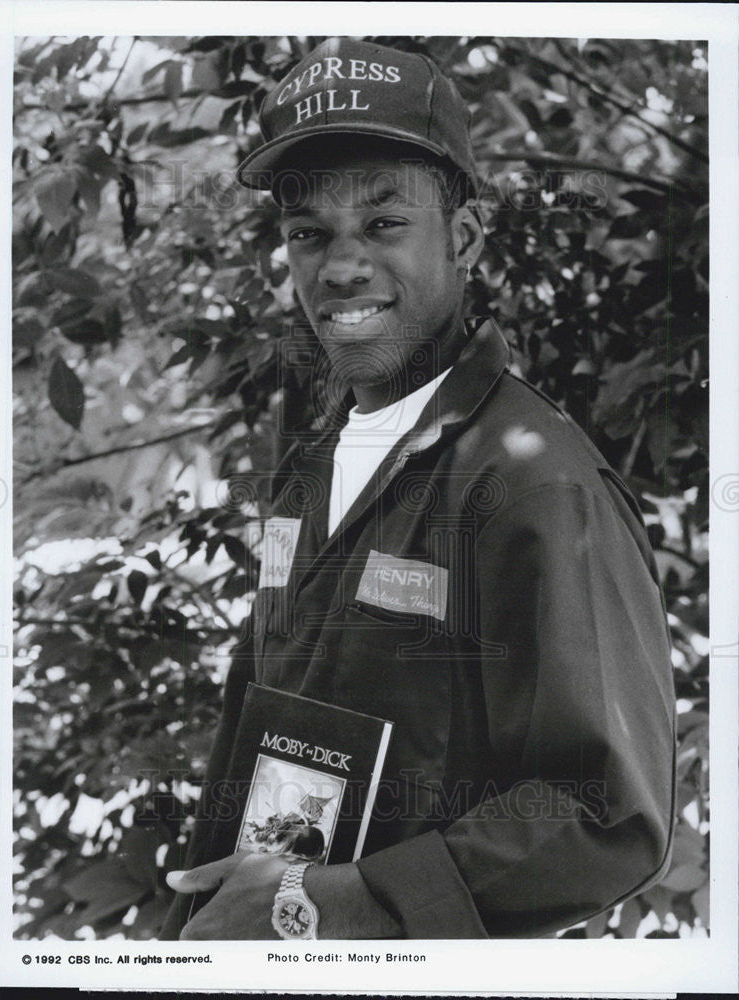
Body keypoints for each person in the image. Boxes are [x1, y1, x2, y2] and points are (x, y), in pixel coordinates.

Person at [160, 37, 676, 941]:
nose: (341, 266)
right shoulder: (309, 470)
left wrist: (325, 906)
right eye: (308, 233)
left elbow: (606, 818)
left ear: (466, 236)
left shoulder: (534, 483)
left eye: (384, 224)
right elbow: (264, 712)